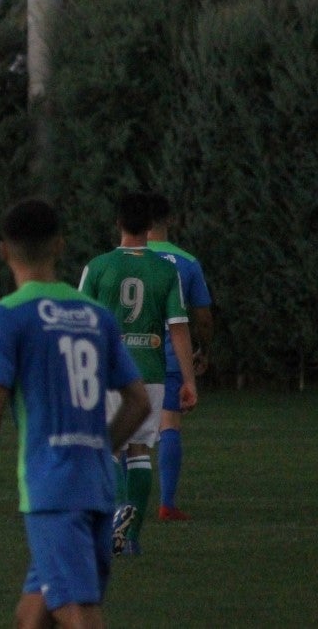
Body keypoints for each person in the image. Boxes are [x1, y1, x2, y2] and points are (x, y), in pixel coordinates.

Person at [0, 198, 150, 629]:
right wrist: (98, 448)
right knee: (32, 617)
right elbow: (138, 402)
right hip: (97, 485)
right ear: (59, 245)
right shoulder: (96, 315)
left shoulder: (9, 315)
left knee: (77, 611)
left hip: (52, 490)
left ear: (3, 250)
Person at [78, 191, 197, 556]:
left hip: (109, 370)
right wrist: (189, 379)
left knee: (107, 447)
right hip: (151, 370)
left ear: (117, 224)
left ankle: (117, 517)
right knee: (141, 450)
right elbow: (178, 327)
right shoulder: (166, 270)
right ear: (149, 227)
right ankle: (131, 539)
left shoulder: (97, 267)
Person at [146, 192, 214, 521]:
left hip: (130, 355)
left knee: (125, 430)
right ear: (170, 221)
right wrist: (204, 348)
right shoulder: (186, 262)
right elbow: (201, 316)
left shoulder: (120, 260)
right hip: (171, 355)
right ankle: (166, 503)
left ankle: (121, 503)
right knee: (169, 423)